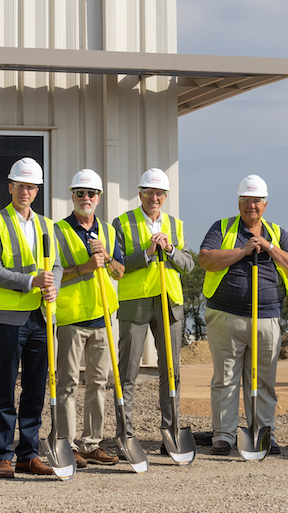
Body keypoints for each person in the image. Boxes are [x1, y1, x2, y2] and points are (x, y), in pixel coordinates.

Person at [199, 175, 288, 456]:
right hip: (225, 315)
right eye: (246, 200)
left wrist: (269, 247)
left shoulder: (278, 233)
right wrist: (243, 251)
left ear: (265, 204)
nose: (251, 206)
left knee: (264, 380)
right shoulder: (222, 228)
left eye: (257, 201)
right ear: (239, 202)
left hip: (267, 317)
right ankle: (224, 435)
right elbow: (206, 259)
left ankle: (262, 432)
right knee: (226, 377)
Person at [0, 158, 61, 478]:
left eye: (30, 187)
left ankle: (28, 454)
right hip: (8, 317)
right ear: (10, 187)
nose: (25, 191)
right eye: (20, 185)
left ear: (37, 191)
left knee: (35, 389)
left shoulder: (47, 225)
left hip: (41, 318)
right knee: (5, 387)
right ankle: (2, 455)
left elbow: (54, 266)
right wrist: (31, 282)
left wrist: (52, 283)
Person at [112, 168, 196, 451]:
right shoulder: (122, 223)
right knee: (127, 372)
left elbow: (188, 264)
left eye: (159, 193)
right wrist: (148, 253)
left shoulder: (176, 224)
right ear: (140, 194)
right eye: (149, 192)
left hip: (168, 301)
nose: (154, 198)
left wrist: (170, 250)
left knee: (171, 371)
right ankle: (126, 433)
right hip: (135, 303)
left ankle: (170, 432)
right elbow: (117, 265)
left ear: (166, 196)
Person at [51, 168, 126, 467]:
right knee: (67, 384)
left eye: (91, 194)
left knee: (98, 383)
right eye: (80, 193)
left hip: (103, 317)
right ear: (72, 196)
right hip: (71, 318)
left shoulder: (108, 232)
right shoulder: (57, 231)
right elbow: (55, 275)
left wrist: (106, 259)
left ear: (99, 198)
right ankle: (67, 445)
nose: (86, 198)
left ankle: (92, 443)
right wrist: (83, 267)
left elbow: (120, 272)